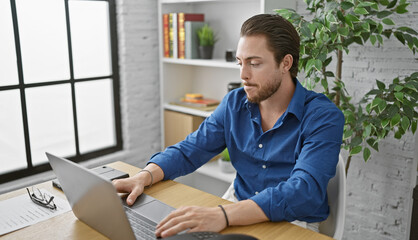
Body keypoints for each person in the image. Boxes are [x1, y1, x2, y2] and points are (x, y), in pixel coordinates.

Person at [113, 13, 345, 238]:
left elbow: (303, 192)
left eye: (254, 63)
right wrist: (144, 176)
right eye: (240, 62)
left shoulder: (323, 116)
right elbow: (189, 150)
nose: (243, 74)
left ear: (285, 63)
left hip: (294, 221)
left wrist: (223, 214)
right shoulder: (235, 103)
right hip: (237, 205)